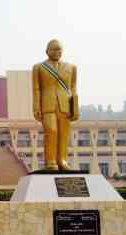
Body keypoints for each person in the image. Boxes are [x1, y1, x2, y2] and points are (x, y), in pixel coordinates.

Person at [32, 39, 80, 170]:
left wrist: (75, 108)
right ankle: (50, 161)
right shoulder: (39, 67)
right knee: (51, 131)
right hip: (47, 104)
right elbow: (36, 89)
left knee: (64, 134)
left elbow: (73, 88)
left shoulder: (71, 68)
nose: (58, 52)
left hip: (64, 105)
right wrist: (36, 106)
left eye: (60, 50)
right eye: (54, 49)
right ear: (47, 51)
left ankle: (62, 160)